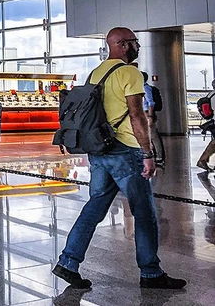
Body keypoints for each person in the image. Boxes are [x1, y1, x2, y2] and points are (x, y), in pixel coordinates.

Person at [53, 27, 186, 290]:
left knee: (94, 207)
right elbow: (137, 116)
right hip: (126, 150)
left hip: (101, 150)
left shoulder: (97, 72)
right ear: (123, 45)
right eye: (135, 42)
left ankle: (68, 262)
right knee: (144, 212)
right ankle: (150, 273)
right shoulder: (129, 73)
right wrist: (148, 154)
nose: (137, 46)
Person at [141, 72, 165, 166]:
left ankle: (159, 157)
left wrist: (150, 117)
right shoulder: (142, 87)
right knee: (149, 136)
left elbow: (151, 103)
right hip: (145, 114)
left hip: (147, 114)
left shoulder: (145, 88)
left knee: (153, 136)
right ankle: (155, 155)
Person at [197, 79, 215, 171]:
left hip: (212, 122)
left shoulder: (211, 94)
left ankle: (202, 160)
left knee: (214, 143)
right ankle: (202, 160)